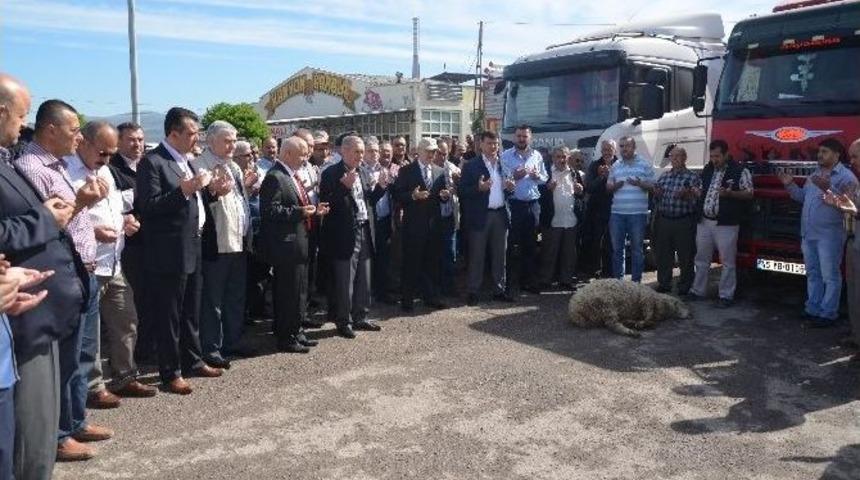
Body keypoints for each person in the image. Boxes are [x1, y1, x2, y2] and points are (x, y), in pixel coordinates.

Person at [15, 100, 115, 462]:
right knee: (63, 358)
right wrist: (82, 203)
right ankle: (58, 435)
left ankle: (74, 421)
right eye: (74, 130)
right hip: (61, 272)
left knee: (79, 356)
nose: (78, 136)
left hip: (84, 268)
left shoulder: (57, 166)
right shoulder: (31, 168)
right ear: (51, 129)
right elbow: (49, 224)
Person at [0, 73, 82, 480]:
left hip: (39, 309)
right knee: (28, 438)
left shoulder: (6, 160)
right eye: (20, 114)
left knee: (39, 425)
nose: (22, 122)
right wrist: (44, 218)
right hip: (21, 315)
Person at [135, 107, 224, 396]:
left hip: (194, 244)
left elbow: (191, 203)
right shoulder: (153, 162)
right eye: (191, 133)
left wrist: (211, 193)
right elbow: (148, 208)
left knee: (191, 310)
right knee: (170, 315)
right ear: (173, 134)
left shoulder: (188, 161)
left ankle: (193, 360)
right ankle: (170, 372)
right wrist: (184, 190)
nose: (195, 137)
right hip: (169, 251)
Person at [68, 121, 157, 403]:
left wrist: (125, 220)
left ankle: (124, 376)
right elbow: (59, 218)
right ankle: (94, 388)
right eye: (103, 152)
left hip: (114, 261)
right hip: (87, 264)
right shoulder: (68, 172)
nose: (107, 159)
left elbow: (114, 207)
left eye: (110, 153)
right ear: (83, 142)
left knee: (126, 320)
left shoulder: (104, 169)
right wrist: (93, 231)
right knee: (91, 334)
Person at [259, 137, 329, 352]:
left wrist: (314, 211)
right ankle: (286, 336)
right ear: (287, 153)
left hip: (300, 243)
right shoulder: (275, 177)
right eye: (301, 154)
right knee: (288, 293)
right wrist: (300, 212)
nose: (305, 158)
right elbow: (270, 211)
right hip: (286, 247)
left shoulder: (291, 176)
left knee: (299, 291)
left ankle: (296, 331)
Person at [779, 139, 857, 326]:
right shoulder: (814, 174)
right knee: (813, 273)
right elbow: (802, 198)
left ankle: (828, 313)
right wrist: (789, 185)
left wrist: (827, 188)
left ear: (837, 154)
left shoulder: (847, 177)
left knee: (830, 276)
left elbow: (850, 206)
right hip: (809, 233)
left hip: (830, 236)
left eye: (825, 151)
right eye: (819, 152)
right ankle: (812, 309)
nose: (820, 155)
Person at [197, 121, 254, 367]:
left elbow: (241, 202)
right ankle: (212, 347)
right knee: (213, 300)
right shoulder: (200, 166)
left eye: (233, 140)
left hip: (238, 241)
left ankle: (233, 340)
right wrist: (211, 193)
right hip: (216, 243)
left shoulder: (234, 168)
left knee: (235, 295)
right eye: (226, 141)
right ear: (210, 141)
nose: (232, 145)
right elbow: (197, 205)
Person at [318, 136, 385, 338]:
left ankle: (361, 316)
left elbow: (369, 201)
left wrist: (381, 187)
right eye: (357, 151)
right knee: (345, 279)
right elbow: (326, 203)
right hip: (344, 233)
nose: (360, 156)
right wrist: (344, 187)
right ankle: (343, 320)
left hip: (364, 228)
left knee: (364, 277)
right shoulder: (331, 173)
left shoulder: (363, 171)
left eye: (362, 151)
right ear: (344, 151)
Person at [108, 122, 156, 366]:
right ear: (118, 142)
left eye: (140, 139)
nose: (137, 144)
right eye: (131, 140)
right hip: (130, 246)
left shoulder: (148, 166)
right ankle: (136, 354)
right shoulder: (112, 170)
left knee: (150, 299)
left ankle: (149, 347)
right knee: (132, 302)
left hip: (153, 244)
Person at [689, 139, 754, 308]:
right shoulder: (708, 169)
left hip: (726, 223)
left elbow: (749, 194)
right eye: (711, 156)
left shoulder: (740, 170)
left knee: (727, 261)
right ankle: (698, 291)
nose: (714, 160)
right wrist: (697, 192)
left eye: (717, 156)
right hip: (704, 221)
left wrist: (731, 194)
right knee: (701, 259)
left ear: (726, 154)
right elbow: (702, 188)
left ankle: (726, 295)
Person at [393, 138, 451, 312]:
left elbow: (442, 195)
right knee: (411, 263)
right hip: (414, 226)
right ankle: (407, 299)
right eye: (429, 151)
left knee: (432, 263)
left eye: (434, 151)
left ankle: (430, 296)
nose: (432, 154)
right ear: (419, 151)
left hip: (433, 226)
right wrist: (413, 196)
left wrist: (445, 195)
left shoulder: (440, 171)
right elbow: (397, 195)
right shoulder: (406, 171)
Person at [460, 131, 516, 305]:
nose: (494, 147)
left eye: (496, 144)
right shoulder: (471, 166)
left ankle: (499, 289)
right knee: (477, 255)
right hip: (480, 216)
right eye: (490, 143)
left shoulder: (503, 165)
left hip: (500, 215)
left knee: (500, 256)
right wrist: (479, 189)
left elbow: (508, 190)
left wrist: (510, 188)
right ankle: (473, 291)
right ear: (481, 145)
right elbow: (462, 191)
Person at [501, 125, 548, 294]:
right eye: (519, 136)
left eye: (524, 136)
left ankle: (529, 281)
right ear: (515, 138)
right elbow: (501, 178)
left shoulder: (536, 156)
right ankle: (513, 282)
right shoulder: (505, 156)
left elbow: (544, 178)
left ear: (530, 138)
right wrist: (515, 176)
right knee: (514, 244)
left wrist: (537, 177)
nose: (521, 139)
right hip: (514, 205)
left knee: (531, 244)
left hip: (533, 204)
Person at [824, 139, 860, 348]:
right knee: (854, 295)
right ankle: (857, 338)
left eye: (855, 157)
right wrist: (840, 204)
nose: (852, 161)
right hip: (853, 241)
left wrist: (844, 206)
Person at [650, 146, 701, 295]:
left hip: (683, 221)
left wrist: (687, 195)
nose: (674, 159)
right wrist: (657, 193)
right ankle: (664, 283)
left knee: (686, 256)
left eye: (678, 156)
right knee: (663, 255)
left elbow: (697, 200)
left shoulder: (692, 177)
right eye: (672, 156)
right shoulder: (665, 176)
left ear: (684, 158)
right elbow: (656, 196)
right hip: (664, 220)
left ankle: (685, 285)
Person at [605, 136, 654, 283]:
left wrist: (640, 184)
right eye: (621, 146)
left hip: (637, 214)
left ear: (634, 148)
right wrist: (615, 187)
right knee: (617, 250)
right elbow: (608, 188)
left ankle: (636, 282)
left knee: (637, 250)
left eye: (627, 146)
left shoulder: (644, 165)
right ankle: (619, 283)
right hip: (617, 214)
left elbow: (654, 187)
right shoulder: (615, 166)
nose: (623, 149)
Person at [538, 146, 584, 290]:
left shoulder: (575, 174)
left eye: (564, 157)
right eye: (558, 157)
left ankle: (567, 280)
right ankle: (545, 280)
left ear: (568, 158)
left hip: (570, 219)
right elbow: (538, 195)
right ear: (553, 158)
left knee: (569, 253)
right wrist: (547, 189)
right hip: (553, 220)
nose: (561, 160)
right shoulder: (546, 173)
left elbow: (580, 196)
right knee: (549, 252)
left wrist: (580, 191)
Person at [582, 140, 618, 278]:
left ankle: (612, 273)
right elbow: (589, 187)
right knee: (597, 241)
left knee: (613, 242)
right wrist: (602, 176)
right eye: (605, 149)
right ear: (601, 151)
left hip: (617, 208)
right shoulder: (594, 165)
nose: (607, 152)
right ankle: (597, 271)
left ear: (615, 150)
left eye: (610, 149)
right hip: (598, 210)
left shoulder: (621, 164)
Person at [433, 138, 461, 296]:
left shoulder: (452, 168)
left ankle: (449, 286)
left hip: (449, 215)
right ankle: (434, 286)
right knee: (434, 252)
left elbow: (461, 188)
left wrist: (457, 184)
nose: (442, 157)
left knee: (450, 252)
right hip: (433, 217)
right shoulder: (428, 168)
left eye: (445, 154)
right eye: (438, 153)